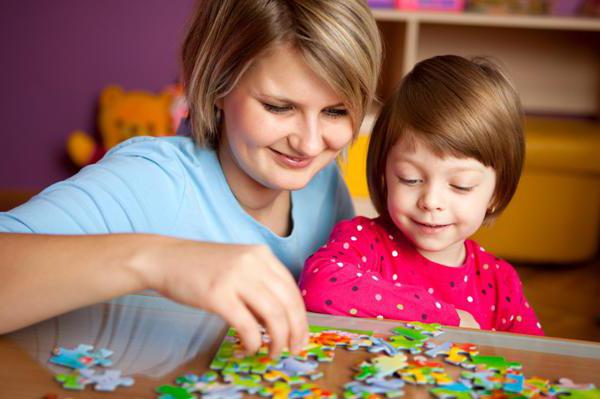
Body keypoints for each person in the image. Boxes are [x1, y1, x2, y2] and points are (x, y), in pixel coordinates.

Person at [0, 0, 382, 356]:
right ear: (219, 84)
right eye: (279, 107)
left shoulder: (322, 180)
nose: (310, 143)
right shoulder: (151, 180)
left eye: (335, 112)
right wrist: (157, 260)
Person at [299, 55, 544, 336]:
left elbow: (536, 360)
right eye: (410, 179)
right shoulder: (364, 241)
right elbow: (319, 286)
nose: (431, 201)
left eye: (461, 185)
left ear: (496, 194)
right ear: (384, 175)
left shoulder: (500, 282)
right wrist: (442, 316)